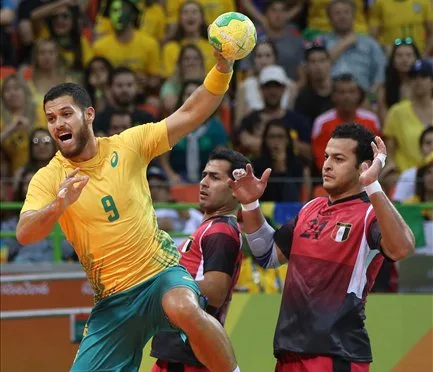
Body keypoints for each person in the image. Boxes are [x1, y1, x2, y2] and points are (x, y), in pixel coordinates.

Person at [16, 51, 241, 372]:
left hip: (160, 276)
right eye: (51, 119)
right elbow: (25, 233)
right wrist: (58, 205)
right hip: (113, 301)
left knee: (184, 308)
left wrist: (222, 69)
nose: (58, 124)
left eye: (66, 114)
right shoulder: (49, 177)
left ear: (89, 115)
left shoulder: (128, 145)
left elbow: (190, 113)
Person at [229, 123, 415, 371]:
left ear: (363, 167)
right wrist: (251, 205)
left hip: (336, 354)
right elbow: (268, 256)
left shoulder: (371, 213)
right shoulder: (310, 208)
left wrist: (373, 186)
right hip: (289, 352)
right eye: (326, 156)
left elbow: (402, 248)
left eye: (338, 159)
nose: (326, 164)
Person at [151, 149, 247, 372]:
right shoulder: (209, 228)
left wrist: (160, 285)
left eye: (215, 177)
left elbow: (215, 292)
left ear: (235, 190)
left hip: (189, 354)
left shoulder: (221, 231)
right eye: (204, 175)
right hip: (180, 351)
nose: (204, 183)